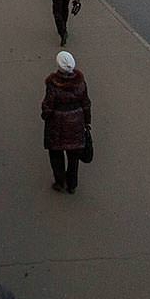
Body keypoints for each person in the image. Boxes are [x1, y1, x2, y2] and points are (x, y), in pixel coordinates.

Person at [41, 50, 91, 194]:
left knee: (56, 154)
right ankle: (72, 185)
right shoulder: (81, 83)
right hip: (76, 124)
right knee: (73, 157)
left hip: (57, 125)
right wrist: (86, 121)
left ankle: (60, 182)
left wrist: (45, 115)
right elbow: (86, 104)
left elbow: (48, 105)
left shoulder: (53, 84)